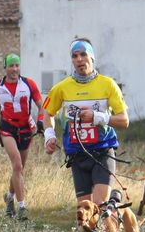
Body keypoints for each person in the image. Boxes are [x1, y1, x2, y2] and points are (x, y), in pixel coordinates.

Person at [42, 38, 129, 208]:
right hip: (77, 154)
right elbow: (47, 114)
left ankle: (110, 208)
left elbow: (124, 120)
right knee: (84, 211)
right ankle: (113, 206)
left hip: (102, 151)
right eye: (74, 56)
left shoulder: (108, 84)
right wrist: (49, 135)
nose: (79, 59)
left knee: (99, 205)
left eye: (83, 54)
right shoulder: (61, 88)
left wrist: (97, 117)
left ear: (92, 57)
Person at [0, 53, 44, 219]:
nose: (14, 69)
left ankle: (9, 197)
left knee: (19, 169)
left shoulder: (29, 84)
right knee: (17, 165)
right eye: (11, 66)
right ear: (5, 68)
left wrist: (41, 121)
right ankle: (22, 207)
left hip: (26, 129)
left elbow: (42, 106)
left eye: (17, 65)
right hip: (7, 129)